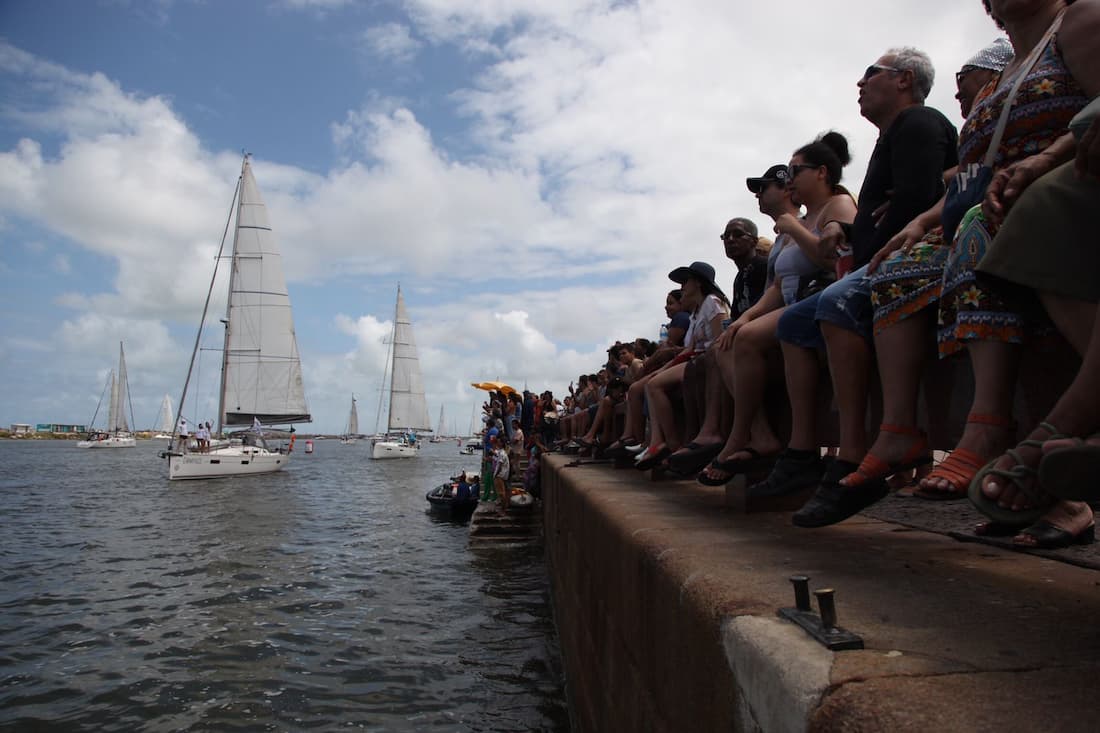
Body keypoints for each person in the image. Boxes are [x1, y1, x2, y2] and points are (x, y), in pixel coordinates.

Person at [848, 0, 1093, 542]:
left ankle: (989, 432)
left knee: (982, 232)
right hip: (997, 203)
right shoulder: (999, 81)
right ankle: (897, 432)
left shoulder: (1078, 23)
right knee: (896, 271)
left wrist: (1042, 162)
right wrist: (921, 224)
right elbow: (975, 172)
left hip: (1063, 192)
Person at [763, 46, 959, 526]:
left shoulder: (919, 122)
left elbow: (921, 199)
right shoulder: (893, 136)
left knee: (834, 303)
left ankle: (853, 454)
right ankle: (803, 451)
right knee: (793, 323)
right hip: (875, 261)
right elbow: (885, 209)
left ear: (904, 80)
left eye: (870, 73)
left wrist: (874, 222)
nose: (860, 83)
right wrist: (846, 231)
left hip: (907, 265)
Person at [702, 140, 859, 486]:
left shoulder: (839, 205)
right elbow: (775, 288)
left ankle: (740, 437)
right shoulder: (800, 220)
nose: (790, 181)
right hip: (791, 307)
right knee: (728, 342)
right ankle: (754, 435)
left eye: (795, 172)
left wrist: (793, 229)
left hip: (821, 303)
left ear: (821, 173)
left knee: (748, 338)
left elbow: (835, 262)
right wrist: (743, 317)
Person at [635, 261, 731, 469]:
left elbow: (719, 340)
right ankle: (657, 442)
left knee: (654, 385)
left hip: (706, 362)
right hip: (693, 360)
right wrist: (664, 367)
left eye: (685, 282)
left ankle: (670, 443)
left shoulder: (713, 303)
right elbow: (689, 348)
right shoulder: (697, 312)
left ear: (698, 283)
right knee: (652, 382)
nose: (682, 288)